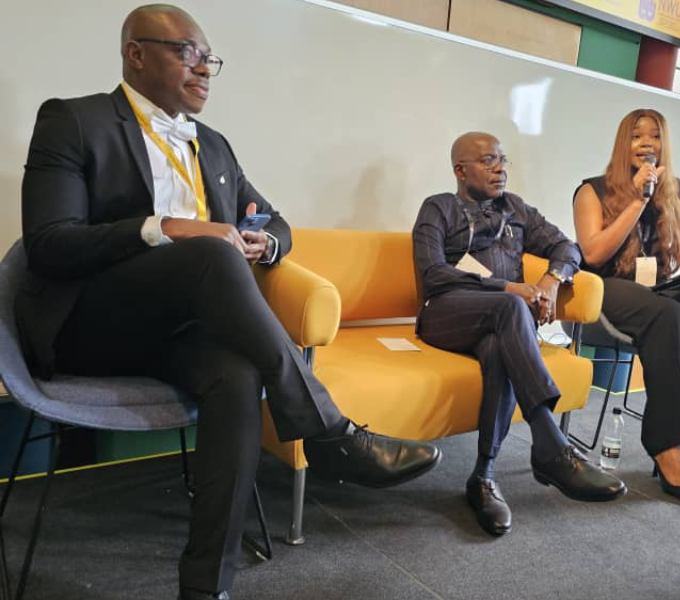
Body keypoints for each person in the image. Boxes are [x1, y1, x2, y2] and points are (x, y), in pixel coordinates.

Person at [17, 5, 440, 599]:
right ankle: (329, 432)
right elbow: (48, 246)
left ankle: (206, 585)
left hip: (176, 332)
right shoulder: (74, 121)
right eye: (187, 51)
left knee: (238, 376)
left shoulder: (213, 147)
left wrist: (264, 241)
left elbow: (277, 223)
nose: (205, 68)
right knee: (212, 253)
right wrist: (169, 227)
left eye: (210, 58)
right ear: (135, 53)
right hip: (89, 324)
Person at [412, 132, 626, 537]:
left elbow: (568, 247)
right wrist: (510, 289)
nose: (501, 169)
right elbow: (433, 274)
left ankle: (483, 478)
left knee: (497, 349)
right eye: (489, 161)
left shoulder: (516, 209)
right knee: (512, 308)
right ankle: (550, 445)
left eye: (503, 160)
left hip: (499, 322)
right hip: (445, 314)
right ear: (461, 170)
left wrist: (548, 282)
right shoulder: (437, 208)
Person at [573, 108, 680, 509]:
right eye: (637, 136)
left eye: (655, 137)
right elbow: (593, 254)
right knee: (668, 314)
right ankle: (665, 447)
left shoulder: (674, 190)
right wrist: (637, 201)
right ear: (622, 143)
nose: (647, 144)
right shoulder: (592, 191)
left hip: (657, 293)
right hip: (604, 292)